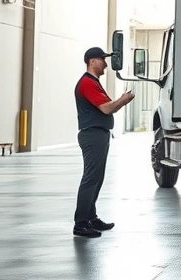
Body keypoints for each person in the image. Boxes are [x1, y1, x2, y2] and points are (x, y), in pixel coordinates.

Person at [73, 46, 135, 238]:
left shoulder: (93, 82)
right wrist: (122, 101)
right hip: (93, 135)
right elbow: (107, 108)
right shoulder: (87, 84)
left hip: (99, 135)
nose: (106, 64)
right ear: (92, 62)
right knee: (91, 178)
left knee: (97, 178)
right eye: (102, 60)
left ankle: (91, 217)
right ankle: (81, 223)